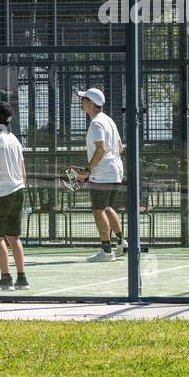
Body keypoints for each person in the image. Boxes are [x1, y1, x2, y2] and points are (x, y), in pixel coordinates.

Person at [0, 101, 30, 291]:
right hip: (18, 191)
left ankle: (6, 278)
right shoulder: (14, 139)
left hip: (0, 193)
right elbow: (22, 169)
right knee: (13, 236)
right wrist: (21, 186)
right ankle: (22, 278)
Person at [76, 88, 126, 262]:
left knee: (98, 211)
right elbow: (119, 147)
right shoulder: (109, 120)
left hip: (103, 174)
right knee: (106, 208)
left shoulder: (97, 123)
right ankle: (121, 243)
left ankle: (106, 250)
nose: (81, 102)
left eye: (83, 100)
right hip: (115, 171)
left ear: (90, 103)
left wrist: (88, 170)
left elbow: (101, 149)